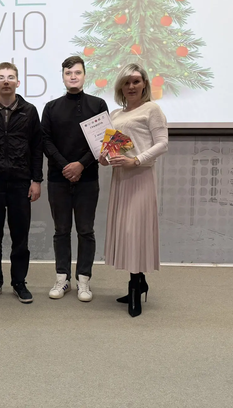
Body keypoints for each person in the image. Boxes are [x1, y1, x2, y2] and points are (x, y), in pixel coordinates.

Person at [98, 63, 168, 317]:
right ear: (120, 87)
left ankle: (136, 286)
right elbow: (114, 147)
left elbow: (162, 144)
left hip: (140, 177)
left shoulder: (152, 109)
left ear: (145, 84)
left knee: (135, 231)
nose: (131, 86)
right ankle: (139, 281)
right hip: (121, 179)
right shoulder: (116, 113)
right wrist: (105, 157)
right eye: (126, 82)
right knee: (126, 233)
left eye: (136, 81)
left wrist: (136, 160)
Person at [41, 56, 108, 302]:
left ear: (84, 76)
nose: (73, 76)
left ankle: (84, 280)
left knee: (85, 230)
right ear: (62, 77)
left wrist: (80, 165)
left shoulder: (98, 105)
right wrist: (65, 166)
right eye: (68, 73)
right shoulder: (51, 107)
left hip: (87, 178)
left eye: (77, 73)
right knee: (61, 230)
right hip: (58, 179)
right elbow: (45, 141)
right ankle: (62, 279)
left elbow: (103, 140)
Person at [0, 62, 43, 304]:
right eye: (1, 77)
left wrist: (37, 180)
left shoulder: (30, 111)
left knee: (20, 238)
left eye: (10, 77)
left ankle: (19, 282)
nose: (6, 81)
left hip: (20, 183)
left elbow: (37, 148)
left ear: (18, 82)